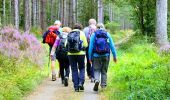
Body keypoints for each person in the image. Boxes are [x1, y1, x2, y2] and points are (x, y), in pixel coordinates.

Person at [88, 23, 117, 91]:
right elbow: (112, 46)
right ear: (103, 27)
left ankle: (97, 80)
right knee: (104, 71)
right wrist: (114, 56)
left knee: (96, 69)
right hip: (106, 55)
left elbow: (91, 47)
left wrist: (90, 57)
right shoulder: (107, 34)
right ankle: (103, 86)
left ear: (97, 28)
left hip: (96, 56)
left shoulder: (94, 34)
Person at [67, 23, 88, 92]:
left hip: (70, 54)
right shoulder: (82, 33)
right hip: (81, 54)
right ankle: (81, 83)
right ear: (81, 27)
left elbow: (65, 45)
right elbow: (85, 44)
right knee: (82, 68)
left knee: (74, 69)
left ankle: (76, 87)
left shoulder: (70, 33)